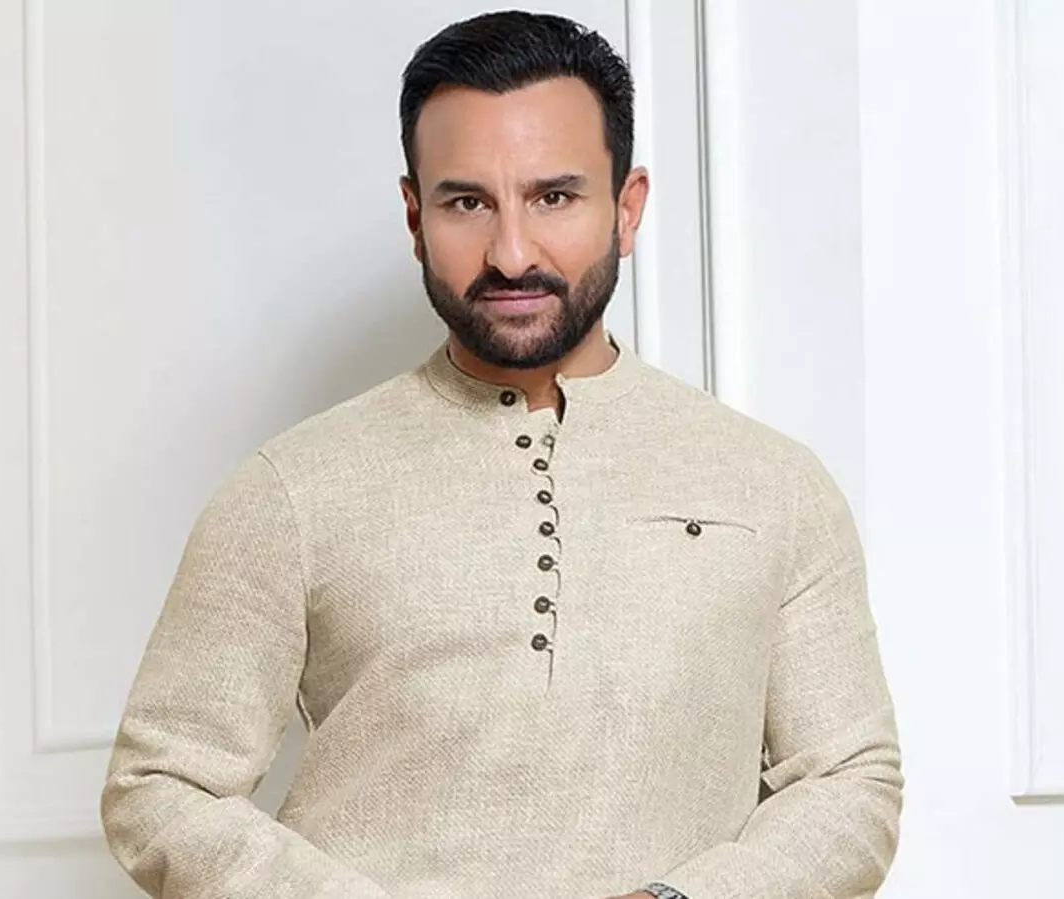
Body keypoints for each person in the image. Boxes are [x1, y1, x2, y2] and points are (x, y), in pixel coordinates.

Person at [101, 10, 902, 898]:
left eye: (554, 197)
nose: (512, 253)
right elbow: (160, 784)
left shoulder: (773, 484)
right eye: (467, 202)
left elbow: (851, 780)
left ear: (627, 207)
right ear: (415, 216)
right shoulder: (293, 489)